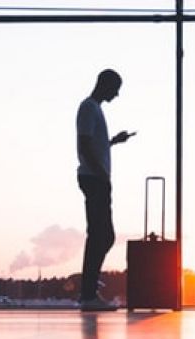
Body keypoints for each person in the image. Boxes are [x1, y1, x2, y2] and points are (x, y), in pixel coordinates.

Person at [77, 69, 134, 312]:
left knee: (102, 235)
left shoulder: (94, 109)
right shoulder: (89, 108)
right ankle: (88, 292)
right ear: (105, 84)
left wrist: (113, 142)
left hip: (95, 177)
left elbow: (93, 143)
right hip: (94, 178)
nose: (117, 94)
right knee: (101, 235)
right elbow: (84, 144)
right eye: (115, 88)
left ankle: (89, 289)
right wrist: (100, 173)